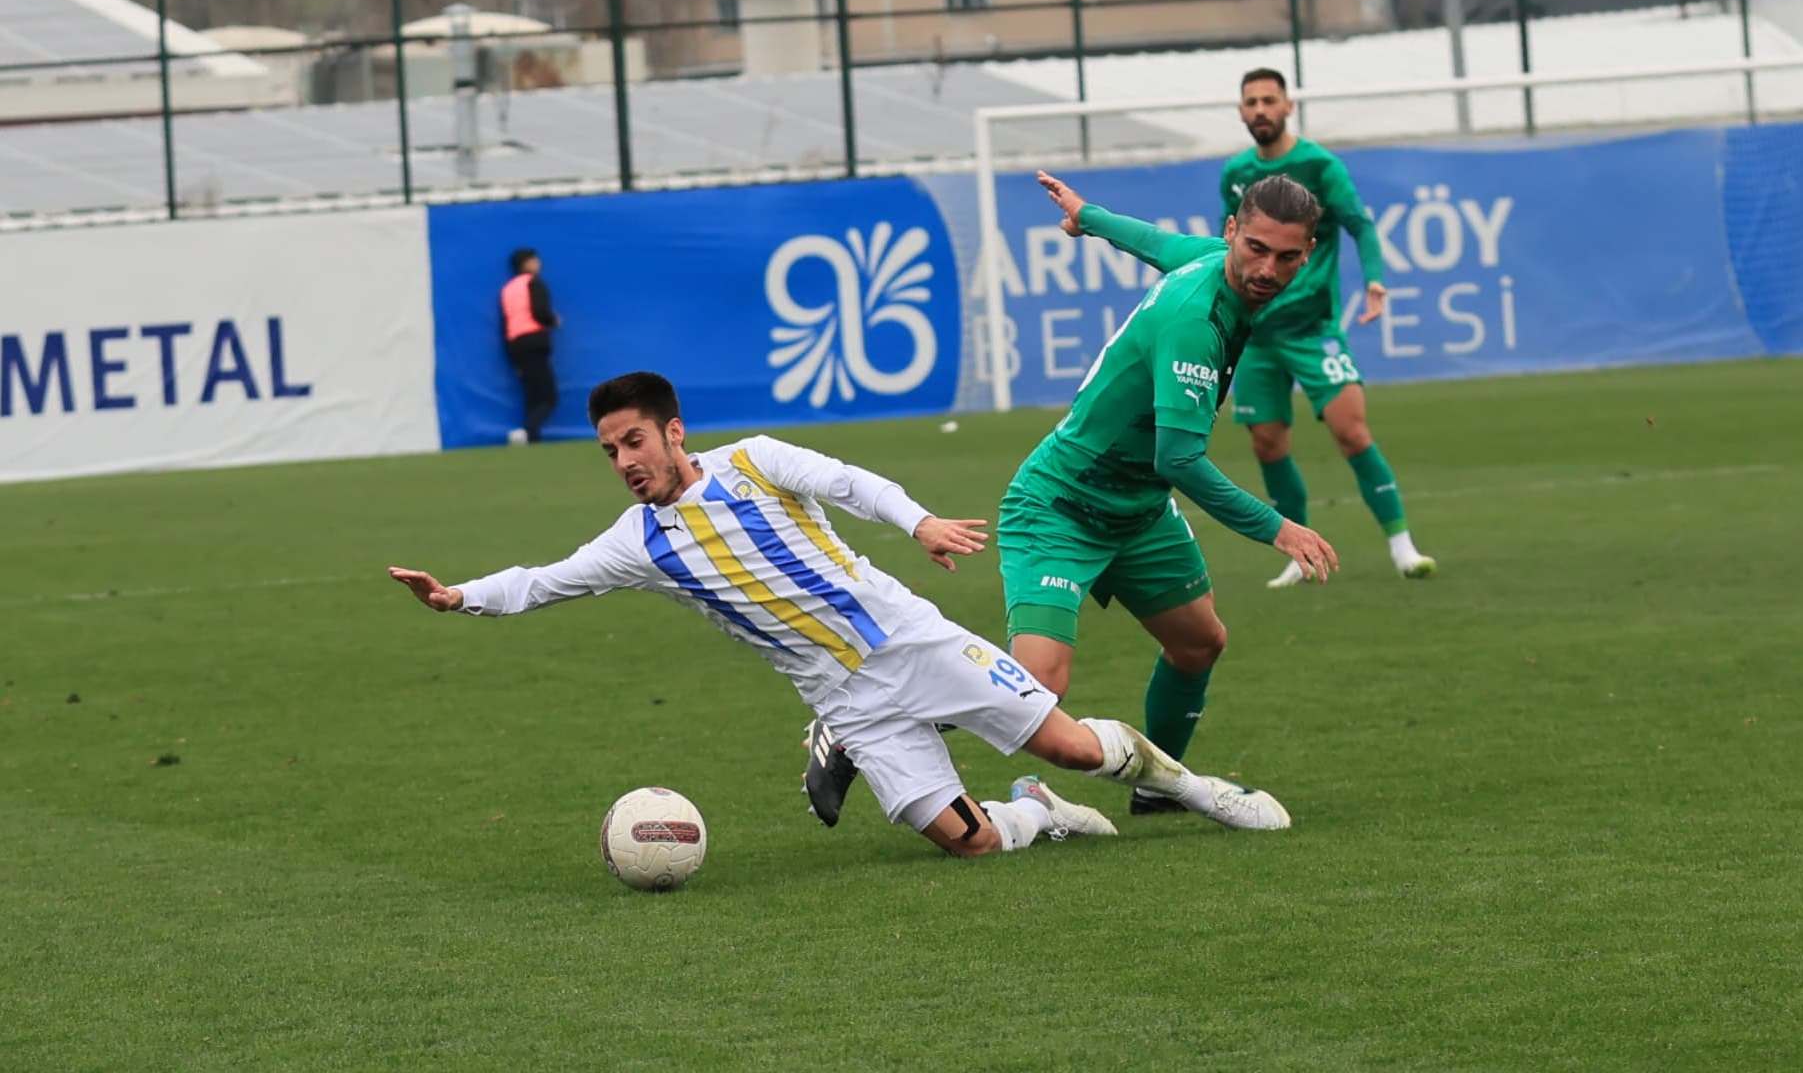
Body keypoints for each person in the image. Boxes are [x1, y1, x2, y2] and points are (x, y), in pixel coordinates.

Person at [389, 371, 1292, 863]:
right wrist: (457, 595)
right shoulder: (639, 542)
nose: (624, 460)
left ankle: (1194, 789)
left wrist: (920, 522)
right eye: (609, 450)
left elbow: (847, 483)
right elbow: (543, 580)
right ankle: (1037, 817)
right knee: (968, 844)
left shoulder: (752, 461)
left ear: (672, 431)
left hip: (909, 640)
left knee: (1066, 743)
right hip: (846, 697)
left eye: (633, 441)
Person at [804, 174, 1336, 829]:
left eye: (1285, 257)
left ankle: (1160, 782)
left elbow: (1158, 243)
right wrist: (1275, 527)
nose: (1266, 268)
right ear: (1232, 232)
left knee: (1199, 644)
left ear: (1305, 252)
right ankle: (853, 724)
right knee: (1038, 692)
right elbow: (1179, 459)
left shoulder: (1211, 259)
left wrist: (1092, 217)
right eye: (1255, 248)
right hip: (1058, 506)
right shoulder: (1193, 323)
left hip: (1138, 510)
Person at [1224, 69, 1436, 587]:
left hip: (1313, 328)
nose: (1260, 110)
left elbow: (1359, 225)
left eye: (1268, 100)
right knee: (1267, 445)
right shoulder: (1234, 172)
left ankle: (1402, 545)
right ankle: (1299, 554)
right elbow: (1232, 244)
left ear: (1288, 106)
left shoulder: (1319, 166)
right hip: (1256, 335)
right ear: (1241, 111)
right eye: (1251, 101)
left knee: (1352, 430)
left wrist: (1376, 282)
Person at [501, 247, 559, 445]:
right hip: (534, 341)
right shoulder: (534, 282)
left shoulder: (508, 289)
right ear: (526, 263)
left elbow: (505, 324)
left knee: (532, 395)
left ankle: (532, 440)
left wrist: (511, 355)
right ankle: (527, 431)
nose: (538, 264)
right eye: (535, 260)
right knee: (549, 397)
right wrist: (553, 321)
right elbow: (540, 311)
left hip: (516, 345)